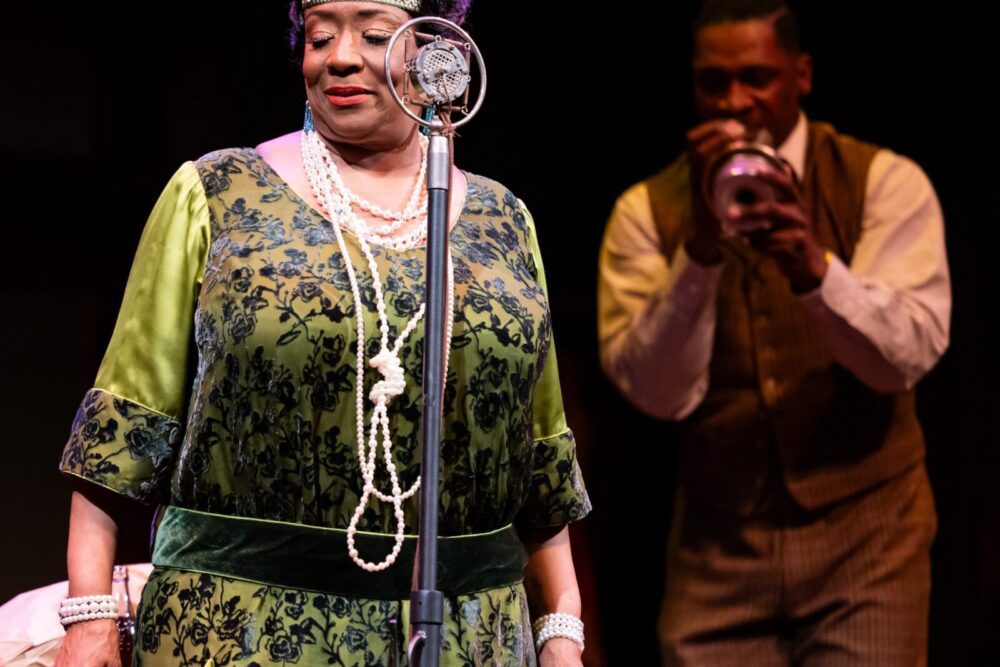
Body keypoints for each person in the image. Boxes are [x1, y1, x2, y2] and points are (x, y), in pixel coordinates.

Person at [55, 1, 591, 665]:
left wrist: (562, 628)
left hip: (466, 635)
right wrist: (89, 615)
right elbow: (120, 433)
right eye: (319, 36)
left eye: (370, 34)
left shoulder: (503, 222)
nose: (338, 56)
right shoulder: (218, 194)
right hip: (239, 631)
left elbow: (540, 462)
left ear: (435, 54)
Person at [598, 0, 950, 664]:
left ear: (802, 75)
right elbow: (654, 393)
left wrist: (815, 269)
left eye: (757, 77)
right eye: (713, 83)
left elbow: (903, 361)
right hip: (720, 548)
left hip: (867, 540)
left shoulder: (883, 180)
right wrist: (699, 251)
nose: (734, 102)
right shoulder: (646, 209)